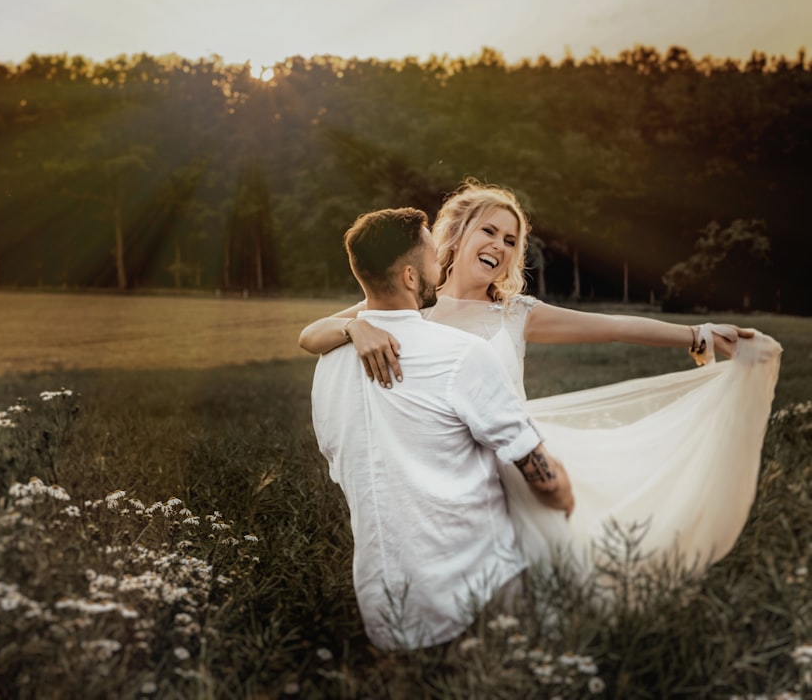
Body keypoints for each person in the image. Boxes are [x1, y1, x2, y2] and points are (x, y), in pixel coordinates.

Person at [301, 179, 782, 588]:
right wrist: (354, 326)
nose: (499, 245)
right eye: (488, 230)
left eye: (511, 241)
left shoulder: (514, 314)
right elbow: (308, 335)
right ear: (457, 234)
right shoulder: (415, 303)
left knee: (561, 580)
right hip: (448, 478)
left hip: (517, 463)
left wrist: (695, 333)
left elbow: (612, 325)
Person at [309, 206, 574, 651]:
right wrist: (564, 497)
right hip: (480, 594)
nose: (442, 262)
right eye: (433, 255)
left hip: (387, 608)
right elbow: (542, 478)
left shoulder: (328, 364)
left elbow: (338, 463)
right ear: (411, 278)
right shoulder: (462, 354)